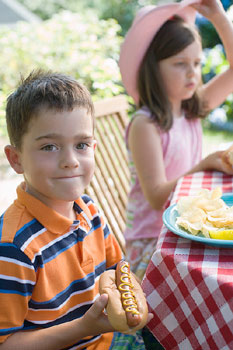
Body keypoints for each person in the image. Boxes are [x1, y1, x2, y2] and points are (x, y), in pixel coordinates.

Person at [0, 70, 150, 350]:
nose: (70, 161)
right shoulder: (14, 248)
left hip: (108, 340)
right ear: (16, 158)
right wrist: (83, 327)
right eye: (49, 147)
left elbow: (116, 270)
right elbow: (7, 344)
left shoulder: (88, 209)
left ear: (93, 147)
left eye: (81, 145)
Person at [119, 0, 233, 282]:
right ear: (152, 68)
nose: (193, 72)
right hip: (152, 243)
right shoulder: (145, 125)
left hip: (186, 227)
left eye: (197, 63)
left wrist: (219, 17)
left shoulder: (191, 108)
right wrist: (205, 163)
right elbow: (158, 196)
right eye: (180, 64)